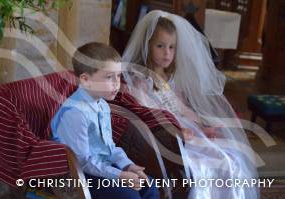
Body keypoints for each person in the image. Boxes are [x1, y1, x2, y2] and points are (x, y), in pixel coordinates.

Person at [122, 10, 260, 198]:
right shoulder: (141, 81)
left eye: (172, 47)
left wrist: (203, 126)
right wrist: (176, 131)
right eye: (160, 46)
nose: (166, 53)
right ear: (147, 46)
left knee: (230, 157)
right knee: (206, 165)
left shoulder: (169, 79)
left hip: (185, 130)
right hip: (166, 136)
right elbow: (148, 116)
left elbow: (182, 109)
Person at [51, 42, 159, 199]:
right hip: (76, 176)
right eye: (109, 77)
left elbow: (108, 148)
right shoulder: (75, 113)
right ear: (86, 80)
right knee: (129, 196)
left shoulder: (102, 105)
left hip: (100, 166)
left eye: (119, 76)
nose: (117, 83)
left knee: (149, 186)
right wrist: (119, 175)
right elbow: (82, 162)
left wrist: (128, 165)